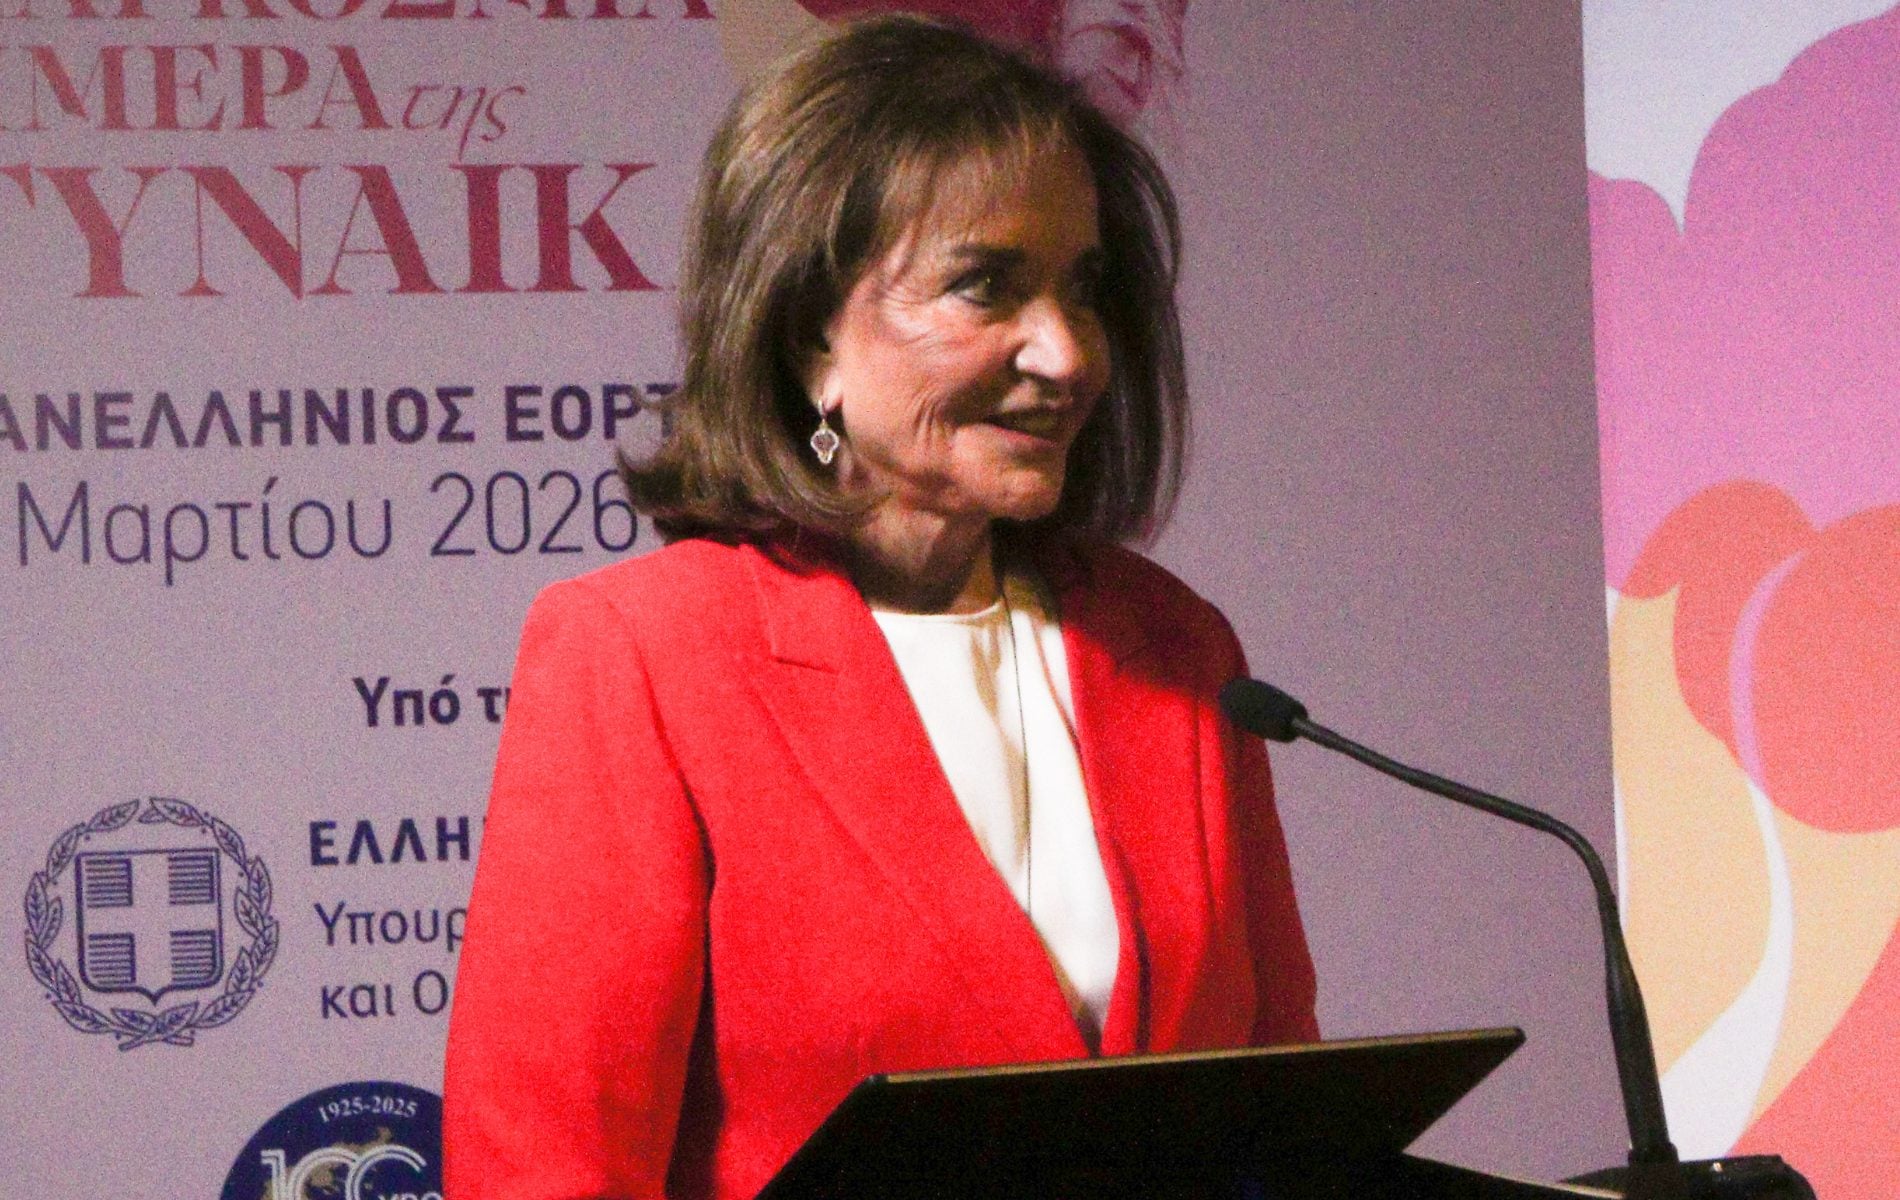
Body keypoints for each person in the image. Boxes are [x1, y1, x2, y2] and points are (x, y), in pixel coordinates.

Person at [443, 15, 1316, 1200]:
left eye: (1084, 290)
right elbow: (547, 1169)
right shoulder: (642, 655)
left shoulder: (1175, 645)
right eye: (984, 286)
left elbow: (1286, 1121)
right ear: (811, 332)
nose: (1066, 354)